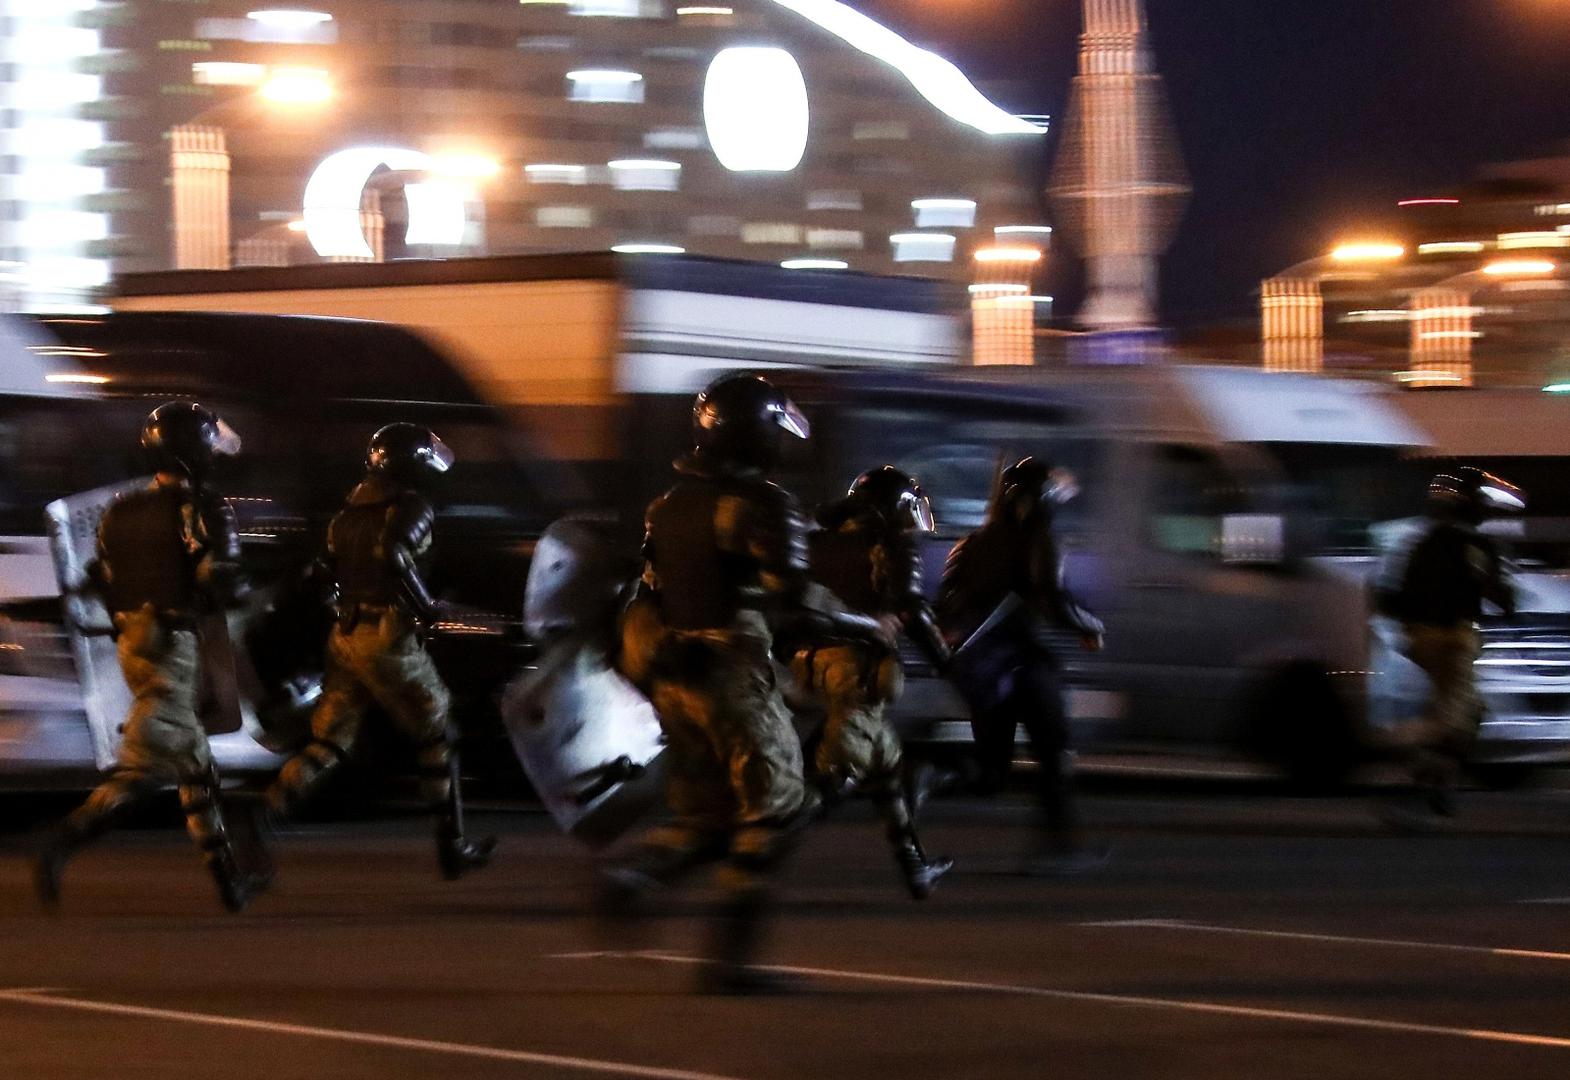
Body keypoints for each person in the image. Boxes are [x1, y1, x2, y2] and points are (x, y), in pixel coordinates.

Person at [603, 373, 888, 995]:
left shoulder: (668, 504)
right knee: (777, 811)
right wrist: (868, 626)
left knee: (707, 815)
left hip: (675, 677)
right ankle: (729, 963)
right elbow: (794, 597)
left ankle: (635, 880)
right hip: (732, 674)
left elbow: (651, 585)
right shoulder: (758, 503)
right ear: (756, 435)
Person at [35, 401, 270, 912]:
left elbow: (98, 577)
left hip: (130, 644)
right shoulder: (206, 508)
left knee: (193, 768)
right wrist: (247, 591)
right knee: (147, 772)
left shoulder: (120, 510)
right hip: (175, 646)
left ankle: (230, 882)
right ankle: (60, 843)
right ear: (193, 451)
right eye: (207, 443)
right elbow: (219, 580)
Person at [265, 423, 494, 880]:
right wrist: (425, 606)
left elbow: (322, 571)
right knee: (438, 732)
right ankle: (453, 846)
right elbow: (394, 554)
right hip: (388, 638)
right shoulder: (412, 507)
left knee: (332, 739)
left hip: (346, 637)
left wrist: (344, 606)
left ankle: (267, 811)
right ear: (410, 464)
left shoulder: (348, 512)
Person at [786, 465, 953, 899]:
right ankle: (746, 844)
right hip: (854, 676)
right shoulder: (893, 545)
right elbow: (911, 611)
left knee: (887, 765)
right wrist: (944, 658)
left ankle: (915, 868)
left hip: (806, 669)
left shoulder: (816, 541)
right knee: (833, 779)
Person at [936, 456, 1106, 875]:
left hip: (981, 668)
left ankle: (927, 777)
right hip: (1026, 664)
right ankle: (1059, 850)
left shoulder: (971, 543)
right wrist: (1091, 626)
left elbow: (946, 603)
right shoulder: (1041, 540)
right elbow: (1051, 597)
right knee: (1053, 754)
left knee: (991, 770)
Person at [1375, 466, 1521, 823]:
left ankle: (1440, 786)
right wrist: (1507, 600)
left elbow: (1389, 594)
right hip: (1453, 640)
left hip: (1417, 637)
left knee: (1471, 713)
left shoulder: (1419, 542)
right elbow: (1496, 592)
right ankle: (1413, 789)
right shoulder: (1475, 544)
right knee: (1452, 720)